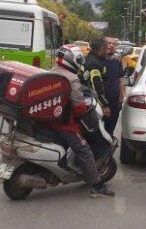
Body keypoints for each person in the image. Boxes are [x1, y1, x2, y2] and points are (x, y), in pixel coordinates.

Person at [45, 47, 115, 197]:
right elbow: (78, 107)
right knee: (84, 150)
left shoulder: (52, 72)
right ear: (73, 60)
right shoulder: (71, 78)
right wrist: (83, 109)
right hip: (64, 123)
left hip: (48, 119)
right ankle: (97, 187)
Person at [101, 37, 125, 136]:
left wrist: (121, 96)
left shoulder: (117, 62)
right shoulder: (96, 62)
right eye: (108, 43)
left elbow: (121, 79)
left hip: (114, 103)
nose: (111, 46)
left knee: (110, 130)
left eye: (113, 44)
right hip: (99, 103)